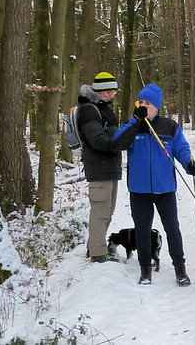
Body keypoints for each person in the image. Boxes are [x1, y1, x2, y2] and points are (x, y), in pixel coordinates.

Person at [113, 84, 195, 286]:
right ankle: (145, 269)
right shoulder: (133, 125)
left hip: (165, 188)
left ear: (156, 106)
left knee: (172, 228)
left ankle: (180, 268)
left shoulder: (169, 126)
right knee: (142, 229)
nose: (143, 106)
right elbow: (117, 143)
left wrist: (190, 165)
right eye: (140, 102)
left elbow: (182, 149)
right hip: (139, 189)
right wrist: (135, 121)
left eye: (147, 103)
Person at [77, 72, 123, 263]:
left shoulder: (104, 109)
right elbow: (97, 140)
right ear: (99, 91)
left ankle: (95, 246)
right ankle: (97, 253)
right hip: (99, 168)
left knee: (107, 211)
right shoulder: (89, 110)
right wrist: (119, 139)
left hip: (109, 167)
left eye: (114, 91)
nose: (112, 95)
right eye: (109, 91)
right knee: (101, 212)